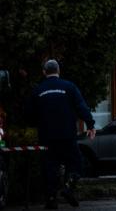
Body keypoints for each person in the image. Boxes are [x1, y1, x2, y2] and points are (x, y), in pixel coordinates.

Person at [27, 59, 95, 209]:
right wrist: (90, 124)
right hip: (67, 135)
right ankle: (69, 187)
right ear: (58, 71)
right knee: (76, 163)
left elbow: (30, 115)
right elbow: (81, 107)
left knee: (49, 167)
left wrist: (38, 123)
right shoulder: (69, 87)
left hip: (47, 137)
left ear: (44, 72)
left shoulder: (38, 90)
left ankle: (51, 199)